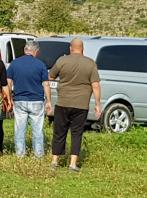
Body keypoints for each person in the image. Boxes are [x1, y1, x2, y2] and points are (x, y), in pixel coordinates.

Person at [49, 37, 100, 171]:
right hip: (81, 104)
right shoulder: (90, 63)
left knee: (59, 132)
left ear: (70, 49)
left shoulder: (62, 60)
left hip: (63, 102)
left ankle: (55, 161)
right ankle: (73, 163)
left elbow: (51, 77)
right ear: (83, 50)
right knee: (77, 133)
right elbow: (95, 85)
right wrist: (97, 104)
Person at [6, 41, 51, 158]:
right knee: (38, 131)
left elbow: (8, 83)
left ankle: (20, 154)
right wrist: (49, 101)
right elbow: (46, 84)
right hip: (36, 100)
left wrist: (9, 98)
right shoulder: (40, 65)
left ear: (25, 50)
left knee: (20, 130)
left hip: (20, 100)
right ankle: (38, 155)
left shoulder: (14, 63)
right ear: (36, 52)